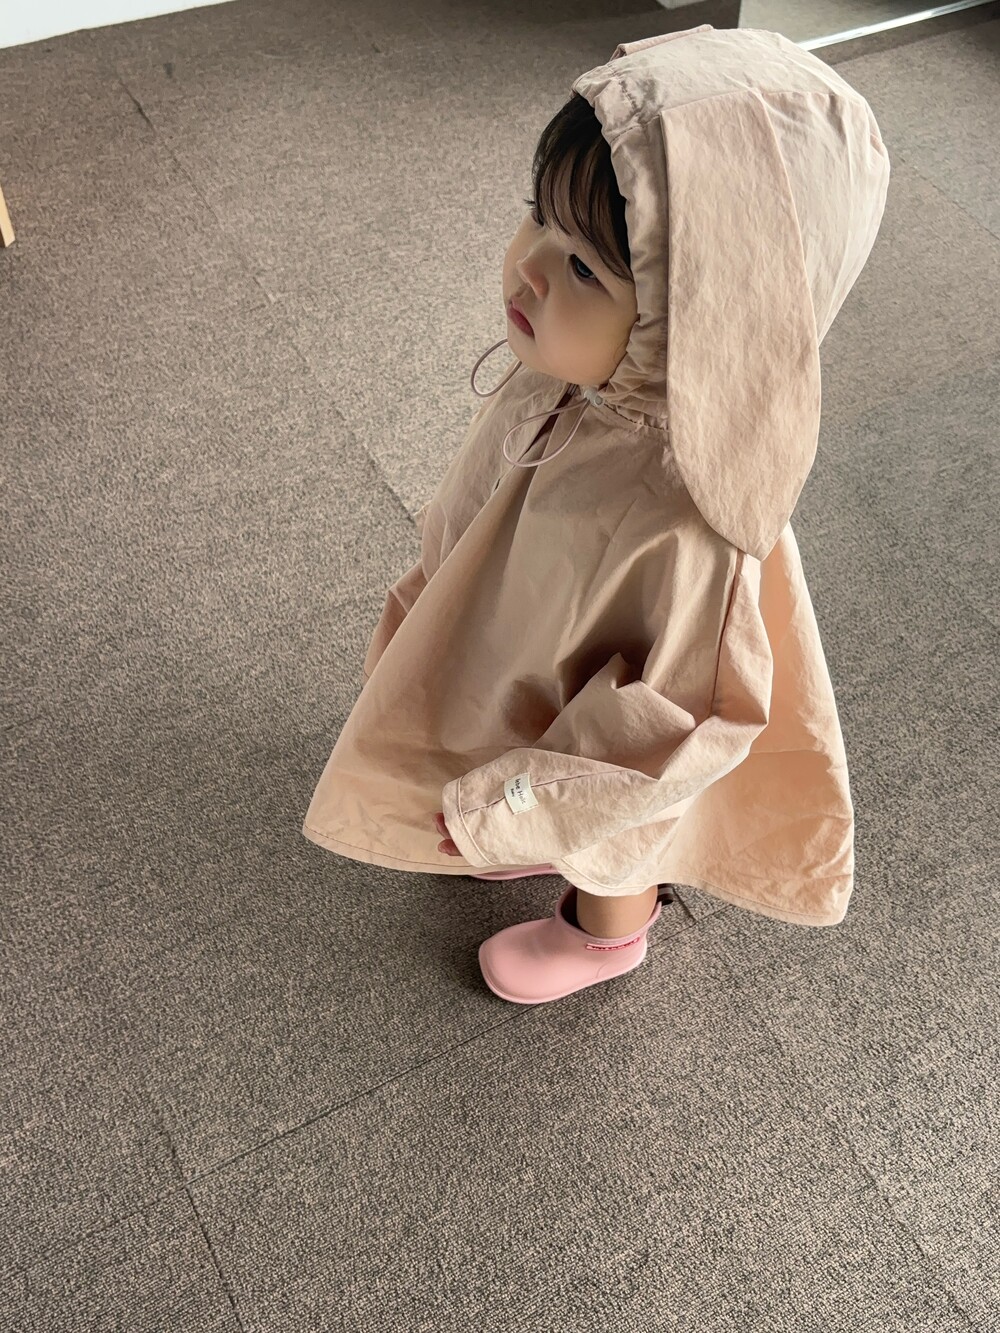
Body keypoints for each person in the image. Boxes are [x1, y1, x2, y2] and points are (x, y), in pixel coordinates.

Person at [302, 24, 891, 1005]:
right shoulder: (578, 376)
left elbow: (651, 749)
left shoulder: (692, 524)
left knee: (614, 829)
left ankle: (604, 932)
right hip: (529, 635)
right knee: (503, 705)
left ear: (701, 324)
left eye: (583, 268)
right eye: (537, 216)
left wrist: (526, 799)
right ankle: (519, 811)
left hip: (610, 729)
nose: (528, 268)